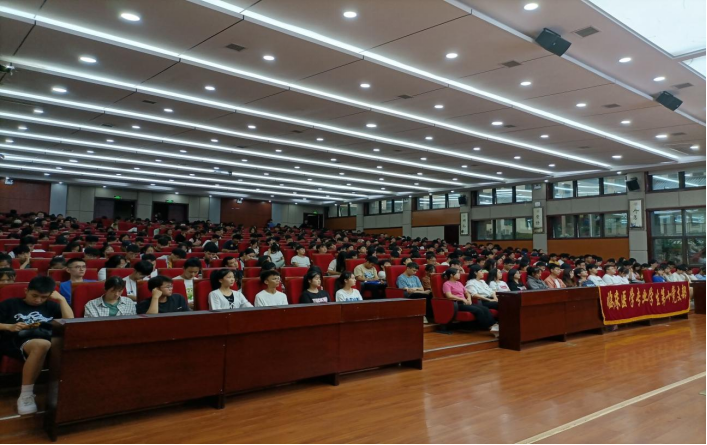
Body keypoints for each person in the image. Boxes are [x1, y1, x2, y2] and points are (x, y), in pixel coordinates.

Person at [0, 276, 74, 415]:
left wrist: (62, 300)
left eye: (43, 297)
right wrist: (9, 326)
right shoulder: (10, 304)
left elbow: (70, 323)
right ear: (26, 291)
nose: (38, 300)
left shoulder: (51, 306)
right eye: (34, 295)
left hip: (47, 339)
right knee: (42, 344)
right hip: (17, 339)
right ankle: (26, 394)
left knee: (61, 344)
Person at [441, 268, 497, 335]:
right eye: (458, 273)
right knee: (478, 310)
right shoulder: (446, 284)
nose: (459, 274)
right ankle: (488, 327)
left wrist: (469, 299)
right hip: (456, 304)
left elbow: (467, 292)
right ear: (451, 275)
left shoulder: (459, 283)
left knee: (485, 308)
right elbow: (449, 296)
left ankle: (493, 325)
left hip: (465, 302)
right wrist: (462, 299)